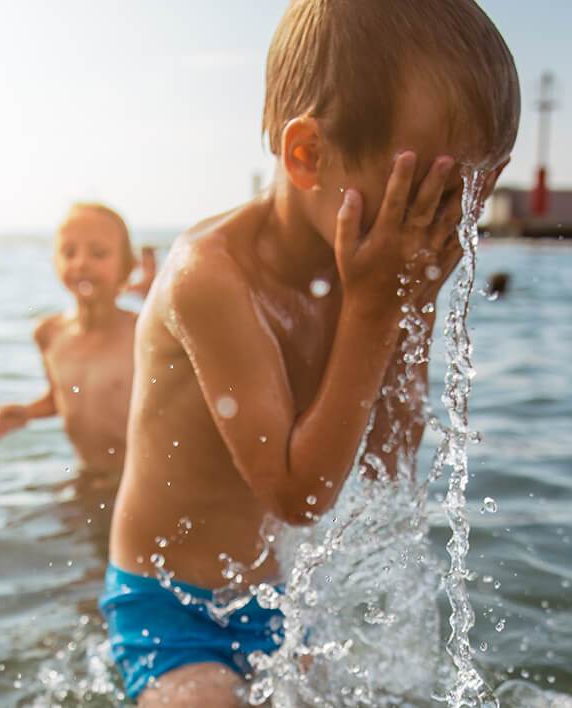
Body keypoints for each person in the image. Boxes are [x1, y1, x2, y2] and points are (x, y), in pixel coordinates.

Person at [102, 0, 520, 704]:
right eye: (420, 196)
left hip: (276, 599)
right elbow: (297, 495)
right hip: (171, 609)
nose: (438, 226)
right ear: (307, 156)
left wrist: (409, 308)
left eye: (463, 200)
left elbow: (390, 460)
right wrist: (377, 308)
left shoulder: (361, 279)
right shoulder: (211, 277)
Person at [0, 203, 148, 477]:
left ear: (127, 267)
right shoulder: (49, 334)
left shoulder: (143, 333)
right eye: (69, 252)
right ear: (55, 262)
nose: (81, 263)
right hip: (85, 476)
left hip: (140, 483)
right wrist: (28, 412)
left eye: (98, 254)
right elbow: (64, 398)